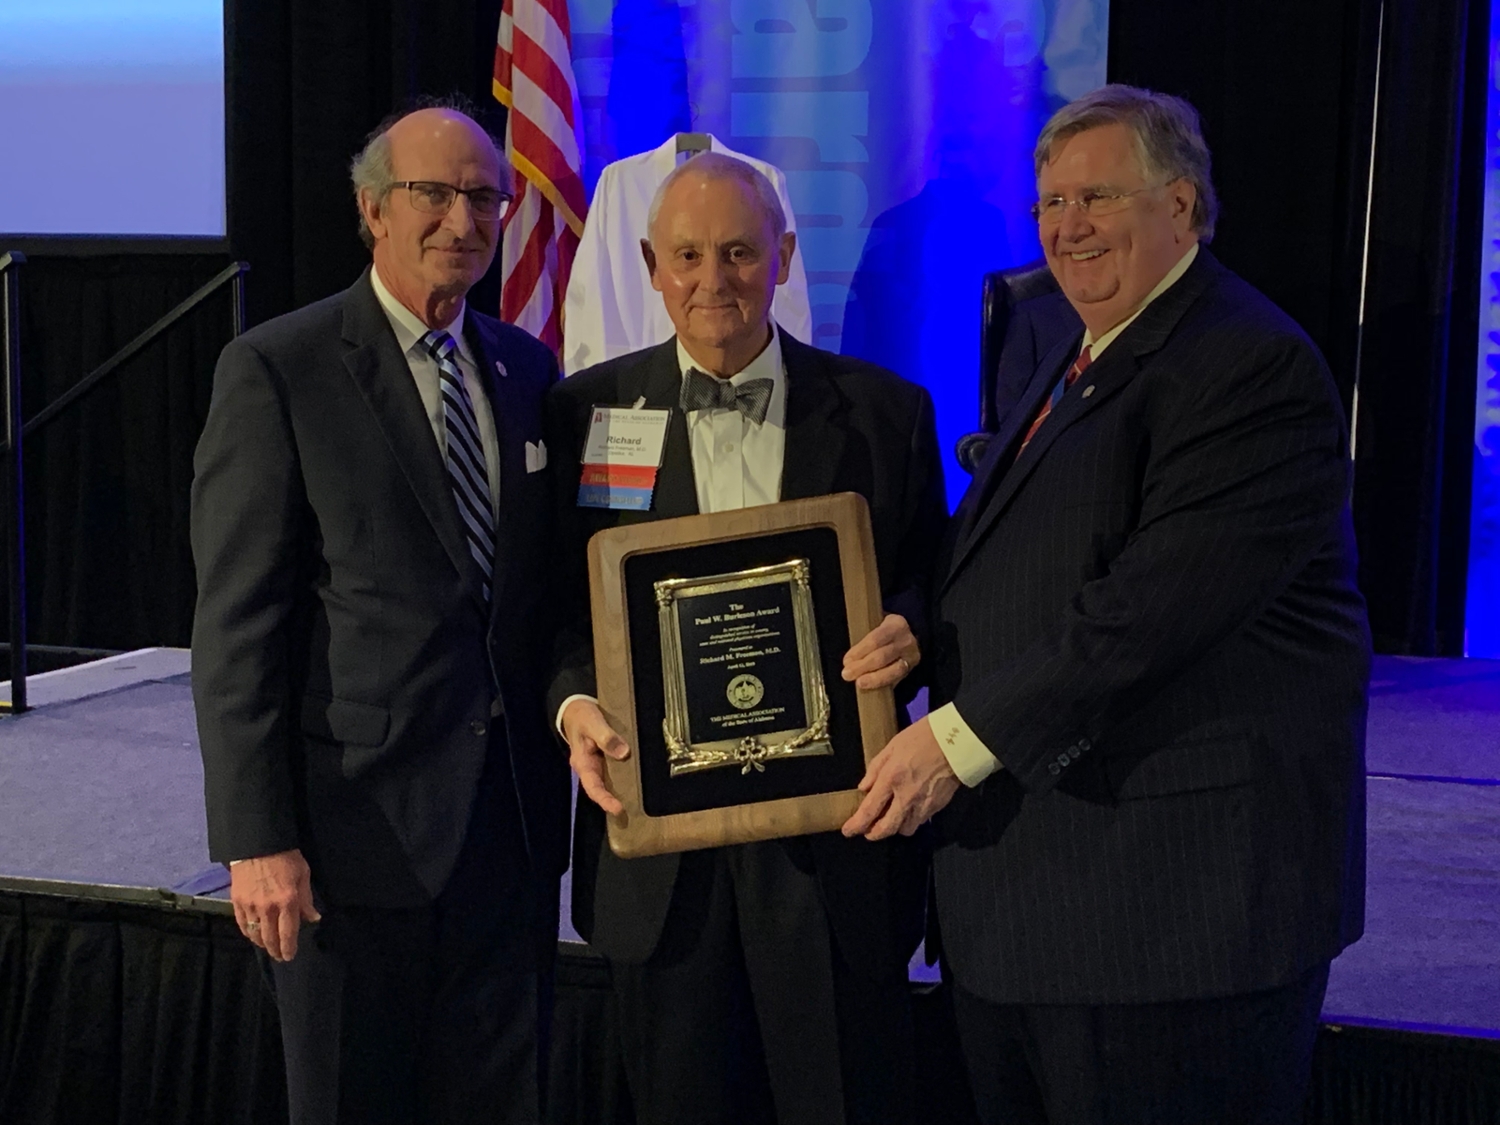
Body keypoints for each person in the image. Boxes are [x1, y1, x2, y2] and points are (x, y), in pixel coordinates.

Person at [844, 85, 1370, 1124]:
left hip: (1172, 925)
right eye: (1050, 203)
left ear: (1182, 206)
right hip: (1039, 909)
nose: (1066, 227)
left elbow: (1149, 612)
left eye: (1097, 198)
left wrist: (953, 741)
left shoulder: (1245, 366)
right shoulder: (1064, 345)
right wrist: (923, 618)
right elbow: (1019, 550)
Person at [547, 152, 946, 1125]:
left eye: (737, 252)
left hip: (836, 854)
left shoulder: (888, 412)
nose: (711, 279)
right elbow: (552, 609)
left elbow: (936, 582)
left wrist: (914, 636)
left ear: (784, 258)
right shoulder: (584, 416)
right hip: (663, 868)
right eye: (687, 255)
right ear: (649, 265)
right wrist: (573, 702)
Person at [190, 101, 569, 1125]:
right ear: (372, 209)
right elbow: (237, 632)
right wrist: (255, 839)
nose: (464, 217)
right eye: (434, 193)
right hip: (348, 846)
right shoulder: (278, 370)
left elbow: (540, 601)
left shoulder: (528, 371)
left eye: (484, 195)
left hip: (512, 840)